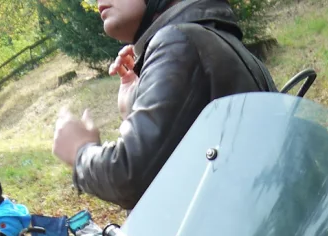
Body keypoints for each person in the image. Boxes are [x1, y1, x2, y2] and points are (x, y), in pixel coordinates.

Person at [52, 0, 274, 211]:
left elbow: (130, 176)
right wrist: (133, 106)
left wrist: (80, 151)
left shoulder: (178, 41)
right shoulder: (224, 45)